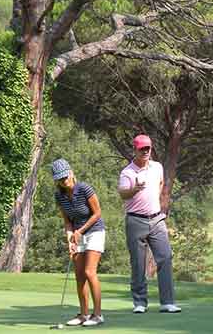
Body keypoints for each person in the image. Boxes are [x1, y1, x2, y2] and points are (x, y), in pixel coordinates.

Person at [118, 134, 181, 314]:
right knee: (138, 263)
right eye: (142, 149)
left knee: (165, 257)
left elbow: (161, 184)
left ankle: (167, 302)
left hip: (156, 219)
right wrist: (134, 189)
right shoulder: (127, 172)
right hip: (135, 220)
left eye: (148, 148)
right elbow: (122, 193)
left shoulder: (157, 167)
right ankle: (140, 302)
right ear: (135, 150)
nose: (145, 151)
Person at [52, 158, 105, 326]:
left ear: (71, 173)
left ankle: (97, 315)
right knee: (79, 275)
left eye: (65, 176)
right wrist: (70, 240)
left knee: (90, 272)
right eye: (60, 179)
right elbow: (67, 221)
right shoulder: (59, 196)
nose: (64, 180)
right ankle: (84, 315)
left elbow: (97, 213)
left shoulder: (84, 189)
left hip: (94, 231)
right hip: (76, 234)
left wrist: (80, 231)